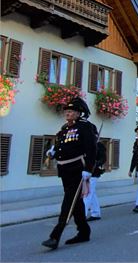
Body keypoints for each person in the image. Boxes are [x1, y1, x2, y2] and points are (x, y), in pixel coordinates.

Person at [41, 97, 97, 250]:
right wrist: (53, 152)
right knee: (76, 202)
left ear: (79, 113)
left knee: (68, 201)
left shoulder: (85, 127)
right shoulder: (65, 128)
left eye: (71, 111)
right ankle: (84, 231)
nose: (68, 113)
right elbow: (62, 146)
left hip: (77, 169)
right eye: (67, 111)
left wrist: (88, 170)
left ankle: (55, 236)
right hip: (65, 170)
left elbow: (92, 149)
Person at [84, 141, 106, 221]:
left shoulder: (98, 145)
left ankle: (82, 216)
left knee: (87, 193)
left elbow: (103, 159)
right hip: (84, 172)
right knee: (91, 193)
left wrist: (96, 163)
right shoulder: (85, 144)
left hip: (93, 173)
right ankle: (96, 213)